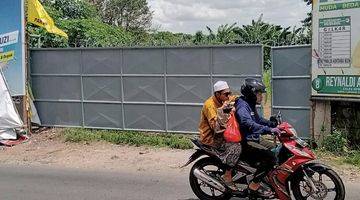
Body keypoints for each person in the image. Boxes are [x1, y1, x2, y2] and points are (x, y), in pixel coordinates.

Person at [234, 78, 280, 197]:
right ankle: (254, 185)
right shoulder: (242, 106)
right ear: (251, 94)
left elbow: (258, 120)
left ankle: (267, 177)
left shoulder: (250, 104)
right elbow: (247, 123)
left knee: (278, 149)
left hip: (254, 138)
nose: (261, 97)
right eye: (259, 94)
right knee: (270, 158)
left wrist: (273, 124)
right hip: (246, 141)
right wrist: (268, 130)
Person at [198, 80, 242, 190]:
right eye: (226, 94)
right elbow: (216, 128)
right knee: (236, 147)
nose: (229, 96)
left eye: (229, 93)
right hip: (212, 138)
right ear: (217, 94)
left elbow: (236, 98)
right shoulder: (210, 106)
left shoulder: (225, 99)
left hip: (222, 135)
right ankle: (227, 176)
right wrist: (225, 111)